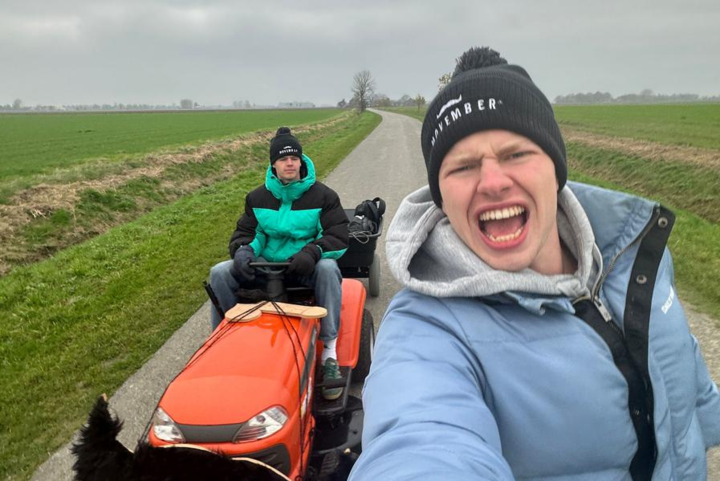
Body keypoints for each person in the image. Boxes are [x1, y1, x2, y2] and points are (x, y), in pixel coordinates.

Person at [350, 47, 720, 480]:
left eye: (515, 155)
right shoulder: (426, 330)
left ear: (555, 168)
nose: (492, 182)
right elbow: (419, 442)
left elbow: (685, 376)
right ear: (441, 199)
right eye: (464, 166)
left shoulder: (635, 254)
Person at [209, 126, 349, 400]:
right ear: (273, 164)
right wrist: (243, 251)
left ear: (301, 161)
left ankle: (329, 353)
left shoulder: (324, 196)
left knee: (329, 268)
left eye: (294, 158)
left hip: (303, 269)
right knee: (220, 272)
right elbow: (249, 234)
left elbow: (337, 236)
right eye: (283, 159)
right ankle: (224, 342)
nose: (289, 163)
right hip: (266, 269)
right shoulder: (257, 198)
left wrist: (312, 252)